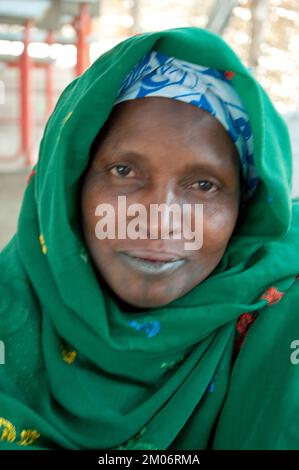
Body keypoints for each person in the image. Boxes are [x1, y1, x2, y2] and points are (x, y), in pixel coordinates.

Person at [0, 27, 298, 450]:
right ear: (70, 186)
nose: (158, 221)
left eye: (204, 185)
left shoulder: (281, 315)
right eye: (123, 171)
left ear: (243, 210)